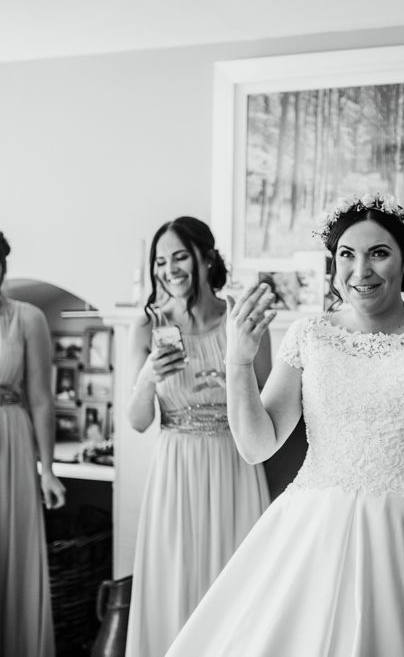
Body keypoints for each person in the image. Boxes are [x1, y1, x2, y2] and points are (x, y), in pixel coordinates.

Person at [166, 194, 404, 656]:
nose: (361, 271)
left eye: (379, 253)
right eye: (347, 255)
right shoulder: (309, 335)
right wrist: (238, 361)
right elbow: (257, 445)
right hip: (315, 535)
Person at [125, 217, 272, 657]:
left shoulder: (240, 321)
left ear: (206, 258)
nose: (169, 269)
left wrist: (236, 367)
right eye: (161, 261)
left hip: (234, 464)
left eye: (180, 257)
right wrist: (148, 376)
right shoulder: (147, 325)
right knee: (176, 583)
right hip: (176, 470)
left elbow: (265, 413)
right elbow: (136, 421)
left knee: (236, 583)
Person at [0, 231, 66, 657]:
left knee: (13, 556)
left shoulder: (28, 318)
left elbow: (41, 399)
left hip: (11, 440)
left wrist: (48, 469)